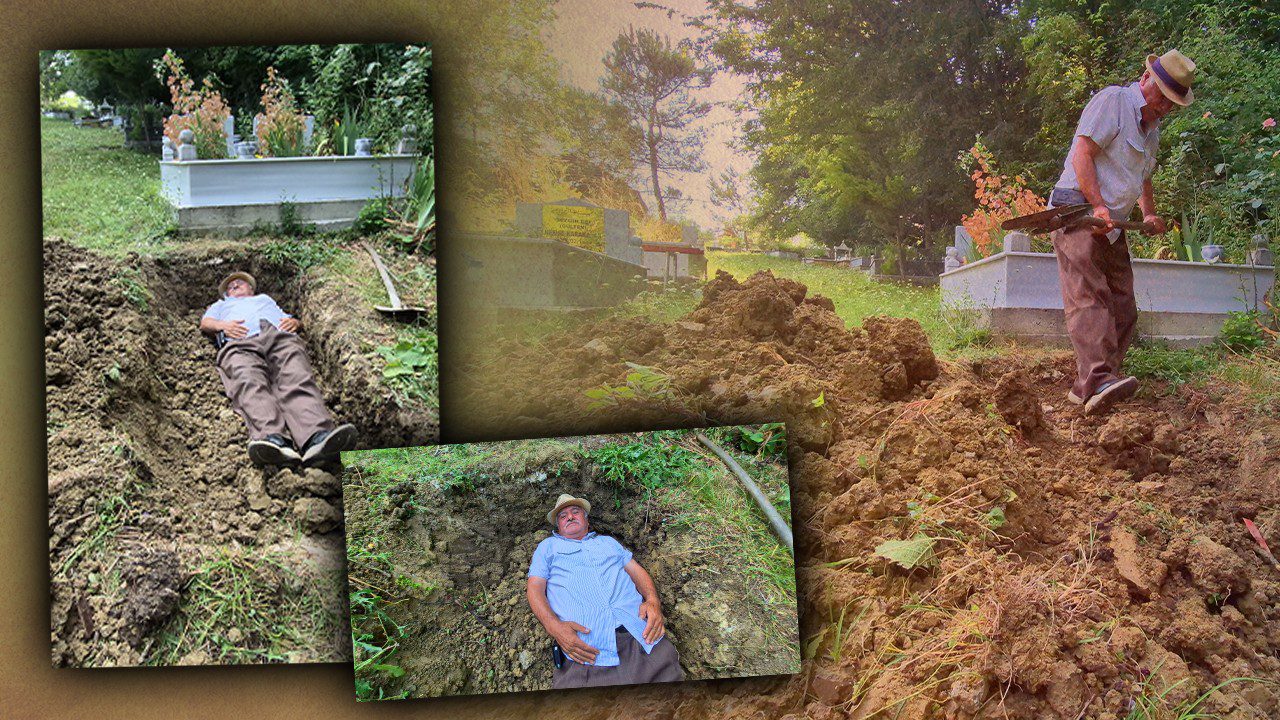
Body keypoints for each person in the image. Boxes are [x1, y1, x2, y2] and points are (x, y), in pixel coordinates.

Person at [1048, 49, 1195, 415]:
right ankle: (1098, 379)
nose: (1162, 107)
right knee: (1089, 294)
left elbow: (1143, 177)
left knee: (1124, 305)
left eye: (1171, 103)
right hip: (1078, 209)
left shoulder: (1152, 131)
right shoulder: (1114, 101)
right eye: (1160, 96)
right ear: (1145, 79)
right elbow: (1082, 152)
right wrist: (1097, 205)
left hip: (1112, 224)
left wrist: (1149, 213)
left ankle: (1093, 386)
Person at [526, 493, 685, 689]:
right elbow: (534, 589)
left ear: (586, 519)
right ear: (558, 526)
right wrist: (555, 628)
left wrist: (652, 600)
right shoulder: (548, 547)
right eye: (562, 515)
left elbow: (635, 570)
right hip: (586, 652)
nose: (569, 517)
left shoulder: (608, 543)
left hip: (641, 638)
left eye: (575, 512)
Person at [199, 271, 356, 466]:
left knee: (295, 374)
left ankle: (316, 436)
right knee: (248, 380)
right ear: (226, 295)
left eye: (240, 283)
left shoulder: (265, 300)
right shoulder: (221, 305)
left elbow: (291, 320)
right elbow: (205, 323)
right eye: (230, 287)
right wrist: (222, 325)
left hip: (278, 337)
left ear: (251, 288)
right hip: (239, 342)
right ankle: (273, 439)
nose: (235, 286)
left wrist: (295, 322)